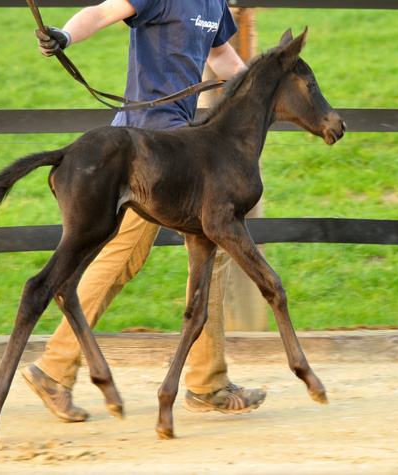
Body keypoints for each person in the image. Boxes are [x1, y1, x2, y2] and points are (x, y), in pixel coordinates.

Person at [21, 0, 266, 421]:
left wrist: (264, 89)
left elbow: (222, 56)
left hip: (181, 151)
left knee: (153, 255)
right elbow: (100, 12)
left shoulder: (212, 3)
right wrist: (63, 35)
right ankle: (59, 368)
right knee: (155, 253)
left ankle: (58, 368)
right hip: (146, 153)